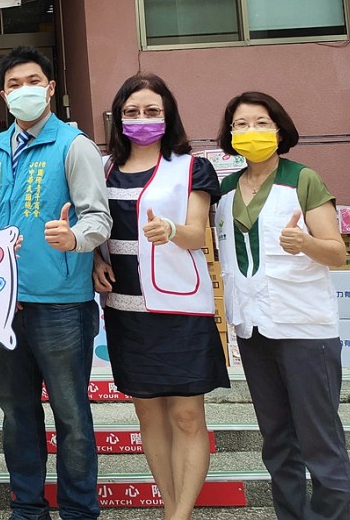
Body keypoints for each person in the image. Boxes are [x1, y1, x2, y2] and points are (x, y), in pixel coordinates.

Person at [0, 45, 112, 520]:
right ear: (2, 95)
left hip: (61, 304)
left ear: (50, 88)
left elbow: (98, 217)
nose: (23, 90)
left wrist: (75, 239)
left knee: (71, 415)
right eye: (13, 84)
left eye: (32, 81)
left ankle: (78, 510)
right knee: (16, 413)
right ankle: (27, 507)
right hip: (5, 305)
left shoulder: (74, 145)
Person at [92, 73, 230, 519]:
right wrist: (94, 260)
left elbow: (196, 234)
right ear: (118, 118)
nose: (142, 118)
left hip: (180, 311)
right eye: (131, 112)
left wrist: (171, 230)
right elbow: (94, 227)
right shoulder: (103, 169)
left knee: (187, 416)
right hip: (127, 312)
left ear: (168, 115)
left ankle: (180, 514)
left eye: (152, 111)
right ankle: (171, 509)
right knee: (148, 417)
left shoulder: (191, 167)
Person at [215, 92, 350, 520]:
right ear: (230, 133)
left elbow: (337, 252)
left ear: (279, 129)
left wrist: (305, 243)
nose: (251, 131)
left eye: (261, 122)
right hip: (254, 330)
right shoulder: (225, 189)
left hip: (305, 330)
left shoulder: (303, 179)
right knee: (276, 440)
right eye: (241, 124)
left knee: (319, 440)